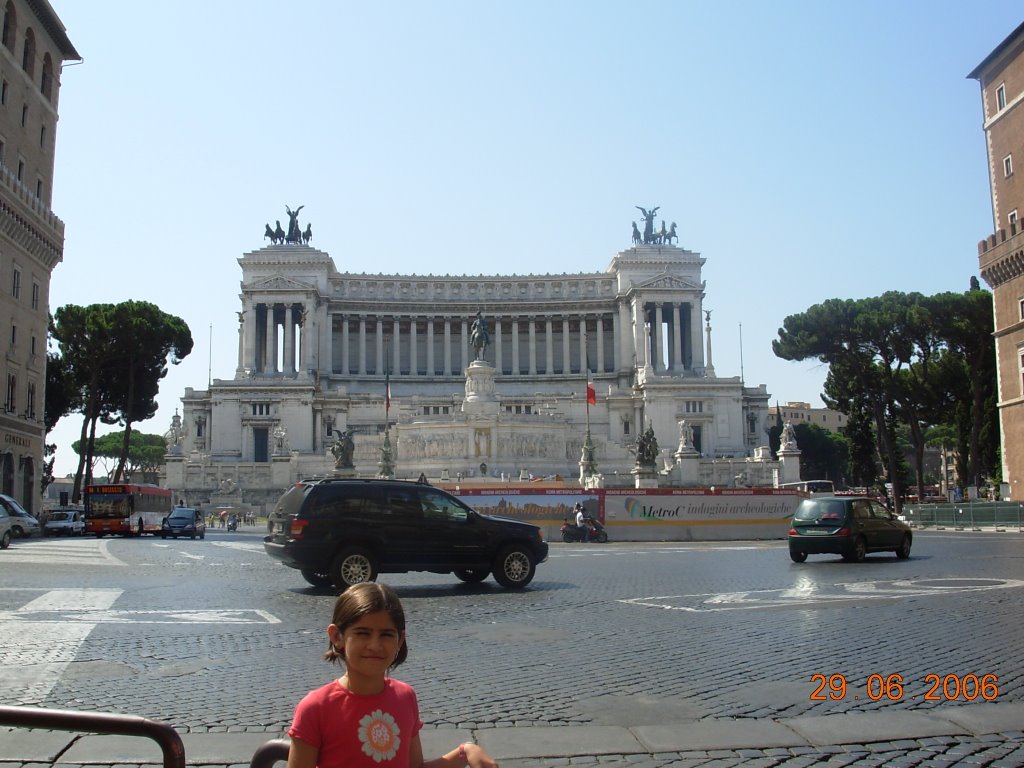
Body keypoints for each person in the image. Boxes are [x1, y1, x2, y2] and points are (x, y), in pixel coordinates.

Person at [287, 583, 498, 768]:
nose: (375, 645)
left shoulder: (405, 697)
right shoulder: (316, 708)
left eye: (386, 634)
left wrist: (465, 753)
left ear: (400, 641)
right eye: (363, 633)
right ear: (337, 636)